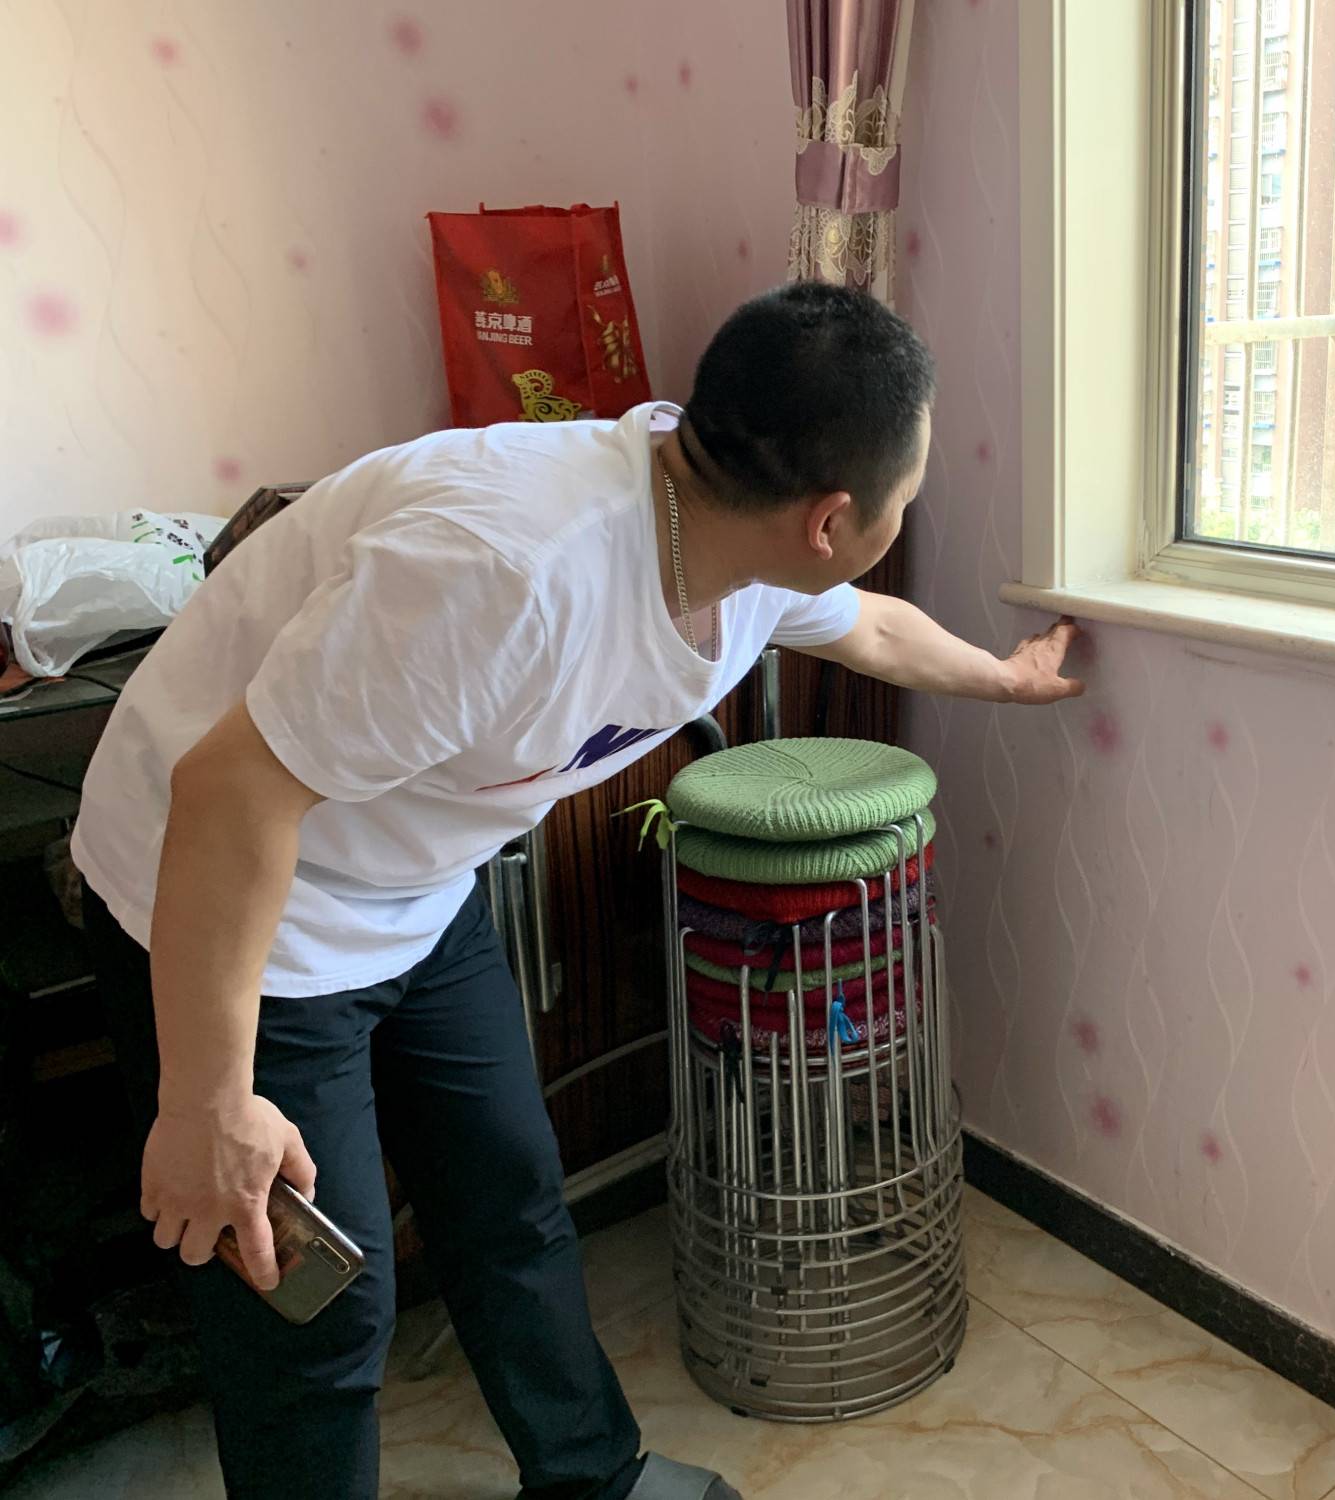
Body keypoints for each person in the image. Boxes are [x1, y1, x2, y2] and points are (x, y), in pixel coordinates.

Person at [70, 282, 1082, 1500]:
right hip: (229, 904)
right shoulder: (504, 571)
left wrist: (1004, 680)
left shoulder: (736, 536)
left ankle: (593, 1480)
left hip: (411, 888)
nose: (903, 511)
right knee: (315, 1313)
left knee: (509, 1198)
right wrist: (204, 1104)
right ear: (831, 518)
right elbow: (228, 793)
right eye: (905, 496)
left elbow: (863, 626)